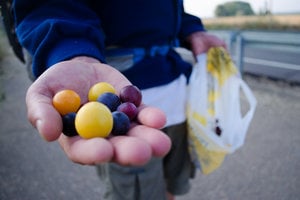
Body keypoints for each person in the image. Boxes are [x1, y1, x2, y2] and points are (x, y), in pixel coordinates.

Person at [12, 1, 226, 199]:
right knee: (137, 192)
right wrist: (73, 52)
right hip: (116, 77)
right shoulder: (109, 107)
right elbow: (49, 4)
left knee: (173, 183)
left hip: (177, 96)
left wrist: (193, 30)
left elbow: (165, 11)